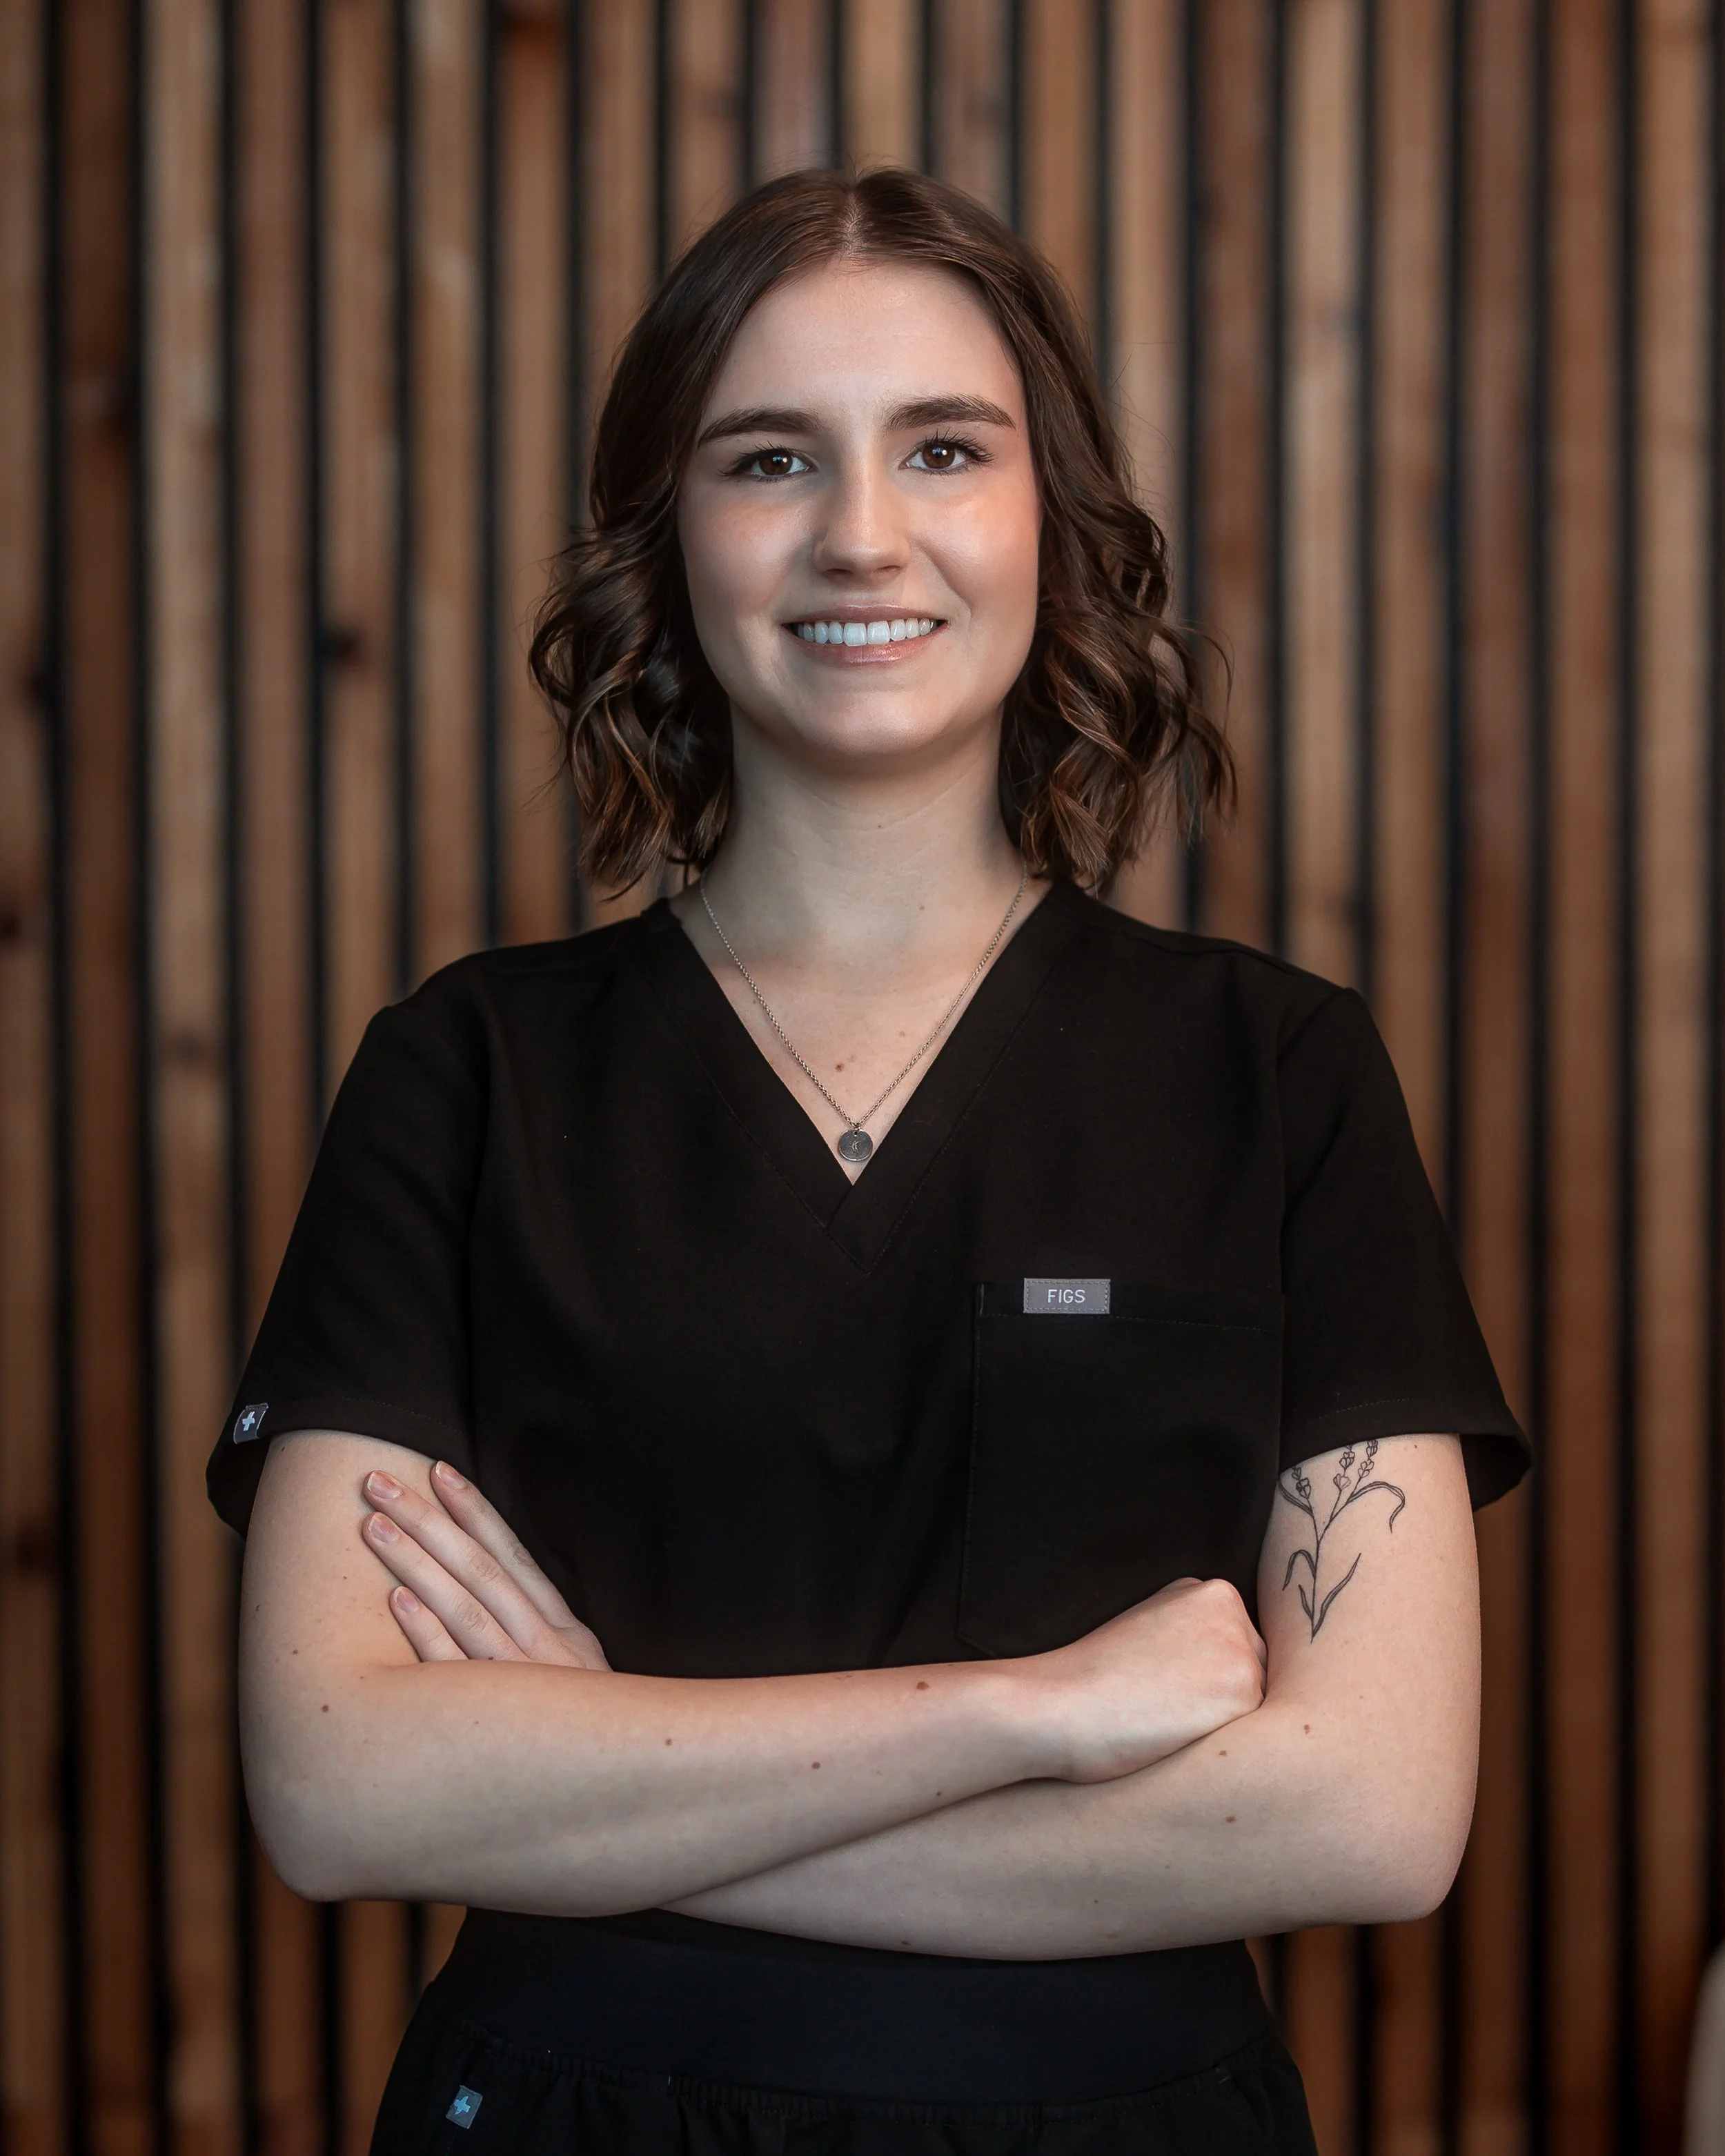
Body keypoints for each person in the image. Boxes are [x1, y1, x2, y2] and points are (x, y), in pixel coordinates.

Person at [210, 166, 1528, 2155]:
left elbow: (1368, 1812)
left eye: (941, 447)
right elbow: (336, 1786)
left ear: (1051, 522)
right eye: (766, 459)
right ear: (667, 541)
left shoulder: (1274, 1071)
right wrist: (1030, 1710)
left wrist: (592, 1775)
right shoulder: (468, 1071)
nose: (860, 531)